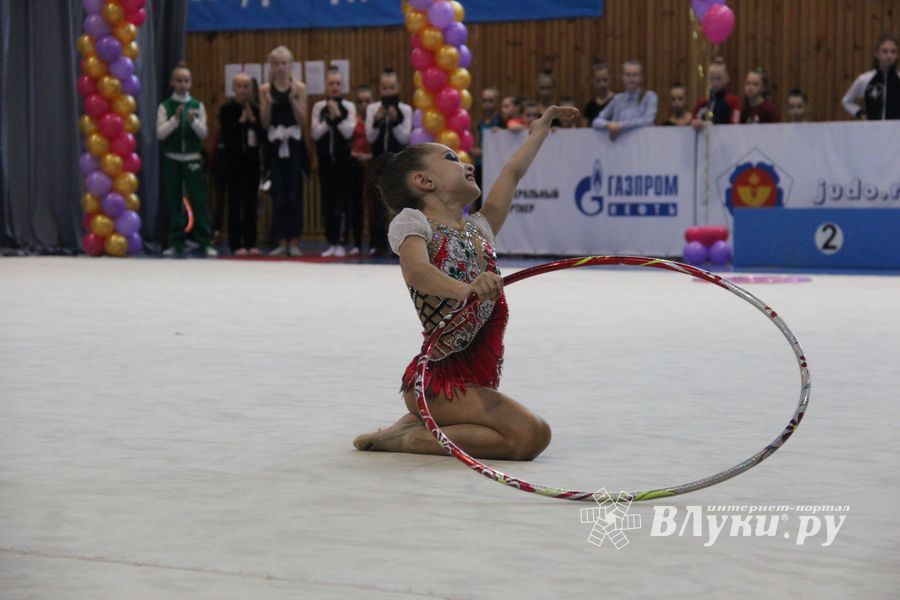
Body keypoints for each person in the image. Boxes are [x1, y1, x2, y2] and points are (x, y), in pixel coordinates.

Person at [352, 104, 579, 460]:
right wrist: (466, 290)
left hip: (474, 380)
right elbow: (418, 272)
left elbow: (512, 173)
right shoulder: (413, 223)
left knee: (517, 436)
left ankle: (419, 426)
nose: (467, 163)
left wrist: (539, 130)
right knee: (532, 435)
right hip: (438, 381)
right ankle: (405, 439)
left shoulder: (480, 228)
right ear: (423, 181)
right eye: (452, 159)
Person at [156, 62, 216, 258]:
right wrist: (175, 119)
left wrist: (192, 121)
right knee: (174, 201)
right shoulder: (165, 106)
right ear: (173, 83)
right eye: (179, 81)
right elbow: (160, 134)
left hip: (192, 158)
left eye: (186, 81)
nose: (182, 84)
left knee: (198, 200)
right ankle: (176, 243)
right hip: (172, 159)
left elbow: (204, 133)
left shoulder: (197, 106)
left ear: (190, 83)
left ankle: (204, 241)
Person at [260, 46, 308, 257]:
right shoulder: (265, 89)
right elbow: (264, 122)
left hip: (295, 146)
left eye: (284, 63)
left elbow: (302, 120)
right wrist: (268, 105)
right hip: (275, 147)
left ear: (290, 65)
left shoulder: (298, 88)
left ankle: (295, 241)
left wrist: (293, 101)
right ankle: (281, 240)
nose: (280, 67)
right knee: (278, 194)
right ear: (271, 66)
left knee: (294, 194)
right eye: (276, 63)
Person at [365, 68, 413, 256]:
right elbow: (370, 137)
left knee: (398, 205)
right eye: (384, 88)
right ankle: (377, 244)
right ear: (380, 89)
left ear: (398, 88)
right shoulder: (372, 109)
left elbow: (404, 137)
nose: (388, 92)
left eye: (391, 88)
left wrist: (394, 120)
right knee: (376, 203)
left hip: (398, 163)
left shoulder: (405, 110)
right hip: (377, 162)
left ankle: (398, 246)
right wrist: (377, 120)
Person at [312, 66, 356, 257]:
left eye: (338, 83)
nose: (335, 87)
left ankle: (342, 241)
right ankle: (331, 241)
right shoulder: (318, 107)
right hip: (325, 161)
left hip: (343, 161)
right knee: (327, 201)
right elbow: (315, 133)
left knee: (343, 201)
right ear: (326, 86)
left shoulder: (349, 107)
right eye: (331, 83)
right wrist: (328, 119)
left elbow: (348, 132)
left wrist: (337, 116)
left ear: (342, 86)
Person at [219, 73, 263, 256]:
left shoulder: (257, 110)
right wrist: (241, 122)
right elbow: (227, 136)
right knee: (235, 204)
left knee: (251, 203)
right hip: (234, 162)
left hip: (252, 163)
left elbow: (261, 136)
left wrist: (253, 121)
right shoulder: (227, 110)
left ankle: (251, 241)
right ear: (233, 88)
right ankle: (236, 243)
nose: (244, 90)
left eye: (247, 86)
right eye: (240, 86)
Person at [591, 60, 658, 140]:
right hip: (620, 145)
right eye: (628, 75)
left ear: (641, 77)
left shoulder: (649, 97)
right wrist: (608, 125)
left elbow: (648, 120)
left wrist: (621, 126)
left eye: (635, 75)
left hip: (642, 143)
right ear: (623, 77)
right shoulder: (617, 99)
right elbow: (596, 121)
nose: (631, 78)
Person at [842, 33, 900, 120]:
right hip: (872, 129)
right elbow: (846, 101)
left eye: (893, 52)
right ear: (877, 54)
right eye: (885, 51)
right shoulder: (865, 79)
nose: (889, 55)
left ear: (897, 55)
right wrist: (859, 113)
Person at [348, 85, 374, 255]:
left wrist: (370, 156)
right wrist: (354, 154)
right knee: (356, 205)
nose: (364, 105)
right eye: (360, 101)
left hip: (372, 163)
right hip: (355, 164)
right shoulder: (352, 120)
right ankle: (356, 243)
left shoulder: (375, 119)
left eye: (367, 101)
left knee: (373, 205)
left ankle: (373, 243)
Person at [691, 58, 741, 129]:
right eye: (712, 79)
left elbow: (735, 123)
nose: (715, 83)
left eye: (718, 79)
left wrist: (712, 125)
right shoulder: (702, 101)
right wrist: (696, 122)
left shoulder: (733, 100)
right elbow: (693, 119)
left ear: (727, 79)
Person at [469, 86, 501, 192]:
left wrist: (482, 152)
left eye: (491, 101)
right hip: (480, 166)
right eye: (484, 101)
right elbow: (477, 144)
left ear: (497, 103)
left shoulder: (500, 123)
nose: (487, 104)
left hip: (495, 167)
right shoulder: (479, 123)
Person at [583, 62, 615, 126]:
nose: (602, 84)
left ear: (610, 79)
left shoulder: (616, 102)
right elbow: (584, 129)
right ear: (593, 81)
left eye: (605, 80)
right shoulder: (590, 106)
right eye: (598, 80)